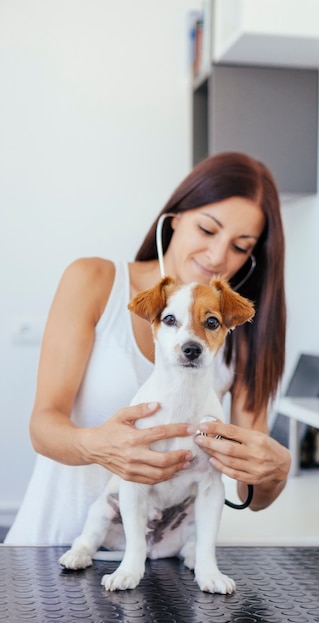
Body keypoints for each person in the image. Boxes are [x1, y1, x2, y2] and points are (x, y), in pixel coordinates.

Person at [5, 151, 291, 546]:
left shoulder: (235, 333)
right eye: (207, 230)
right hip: (52, 548)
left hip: (156, 575)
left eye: (240, 247)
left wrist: (274, 472)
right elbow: (43, 426)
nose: (218, 256)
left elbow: (249, 493)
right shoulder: (94, 280)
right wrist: (99, 447)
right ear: (173, 221)